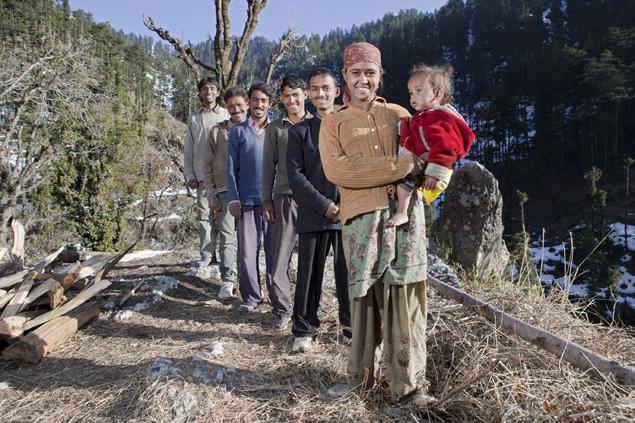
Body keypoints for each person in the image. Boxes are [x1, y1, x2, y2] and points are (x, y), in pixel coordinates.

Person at [319, 42, 435, 406]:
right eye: (356, 73)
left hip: (404, 219)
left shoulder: (400, 114)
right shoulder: (334, 123)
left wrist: (417, 167)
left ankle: (409, 387)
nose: (363, 80)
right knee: (364, 302)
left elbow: (426, 154)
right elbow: (339, 171)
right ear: (345, 77)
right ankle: (360, 381)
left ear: (379, 76)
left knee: (405, 300)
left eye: (370, 73)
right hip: (360, 221)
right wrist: (398, 166)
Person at [286, 68, 351, 353]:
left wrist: (345, 204)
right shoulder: (300, 132)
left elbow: (358, 168)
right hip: (313, 213)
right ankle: (304, 329)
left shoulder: (349, 127)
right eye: (314, 89)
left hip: (348, 213)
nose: (320, 93)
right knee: (308, 274)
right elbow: (295, 176)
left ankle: (351, 328)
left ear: (337, 91)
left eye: (326, 88)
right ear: (308, 94)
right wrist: (324, 205)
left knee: (348, 274)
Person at [386, 64, 475, 227]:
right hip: (423, 163)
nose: (413, 97)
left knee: (405, 179)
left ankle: (401, 212)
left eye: (419, 91)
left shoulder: (441, 118)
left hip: (436, 166)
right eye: (411, 93)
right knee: (404, 180)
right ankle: (402, 212)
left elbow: (446, 147)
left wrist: (435, 173)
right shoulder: (422, 116)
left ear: (437, 93)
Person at [261, 75, 312, 329]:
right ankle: (282, 309)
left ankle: (308, 309)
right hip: (284, 199)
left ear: (306, 95)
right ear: (281, 98)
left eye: (296, 95)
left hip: (313, 200)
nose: (291, 100)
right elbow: (267, 168)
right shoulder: (275, 129)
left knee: (310, 260)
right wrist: (266, 202)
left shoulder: (318, 123)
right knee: (280, 258)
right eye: (286, 96)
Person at [226, 83, 273, 311]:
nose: (259, 104)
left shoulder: (277, 130)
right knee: (247, 253)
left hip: (272, 203)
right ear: (249, 102)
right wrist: (233, 198)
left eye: (263, 100)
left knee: (274, 253)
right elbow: (231, 167)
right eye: (255, 100)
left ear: (270, 104)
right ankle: (252, 298)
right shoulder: (238, 132)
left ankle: (277, 297)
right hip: (246, 202)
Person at [201, 87, 249, 300]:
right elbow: (206, 165)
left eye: (239, 105)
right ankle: (228, 280)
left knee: (249, 240)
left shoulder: (255, 129)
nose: (236, 109)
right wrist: (211, 193)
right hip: (224, 191)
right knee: (228, 239)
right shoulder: (217, 131)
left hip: (251, 192)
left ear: (247, 104)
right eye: (231, 106)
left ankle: (248, 281)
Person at [184, 77, 230, 268]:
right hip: (202, 176)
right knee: (204, 218)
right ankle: (207, 256)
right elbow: (189, 148)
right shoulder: (194, 118)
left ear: (218, 92)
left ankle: (227, 258)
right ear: (200, 92)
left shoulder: (227, 114)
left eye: (212, 88)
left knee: (225, 221)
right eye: (205, 89)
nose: (208, 92)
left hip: (225, 176)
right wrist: (190, 175)